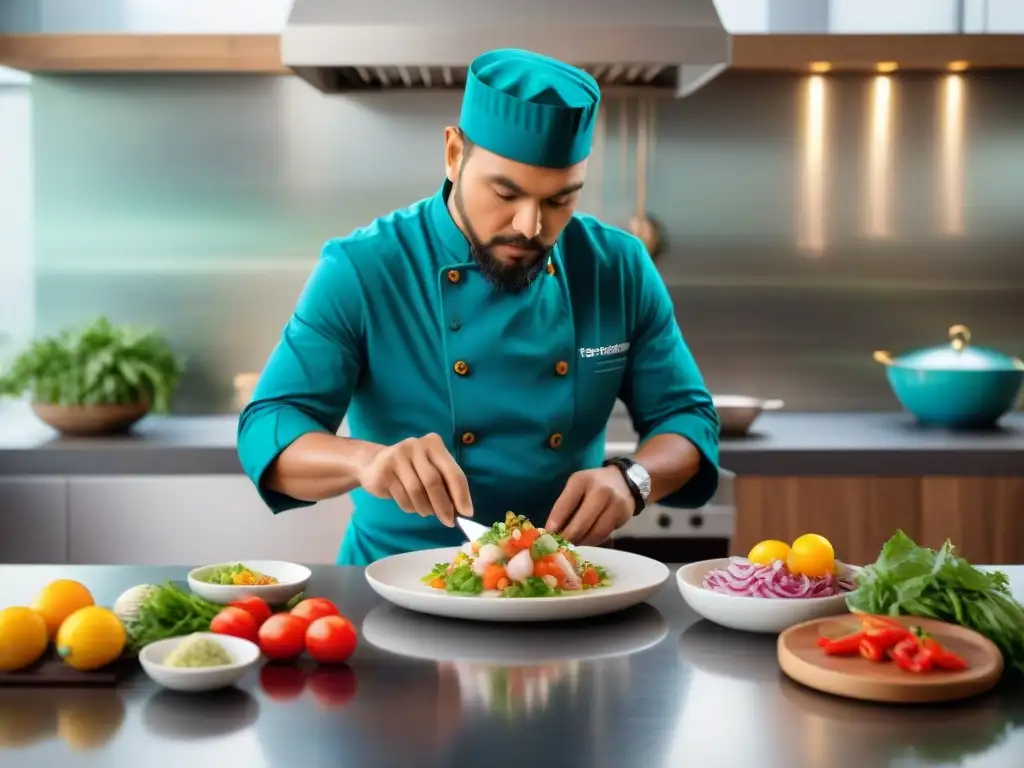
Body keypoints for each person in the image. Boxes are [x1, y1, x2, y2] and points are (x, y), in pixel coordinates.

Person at [237, 48, 721, 566]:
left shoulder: (617, 266)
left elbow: (687, 418)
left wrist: (633, 479)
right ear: (453, 154)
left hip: (562, 584)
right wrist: (366, 461)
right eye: (505, 193)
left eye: (560, 200)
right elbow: (270, 427)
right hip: (397, 579)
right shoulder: (363, 268)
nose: (530, 226)